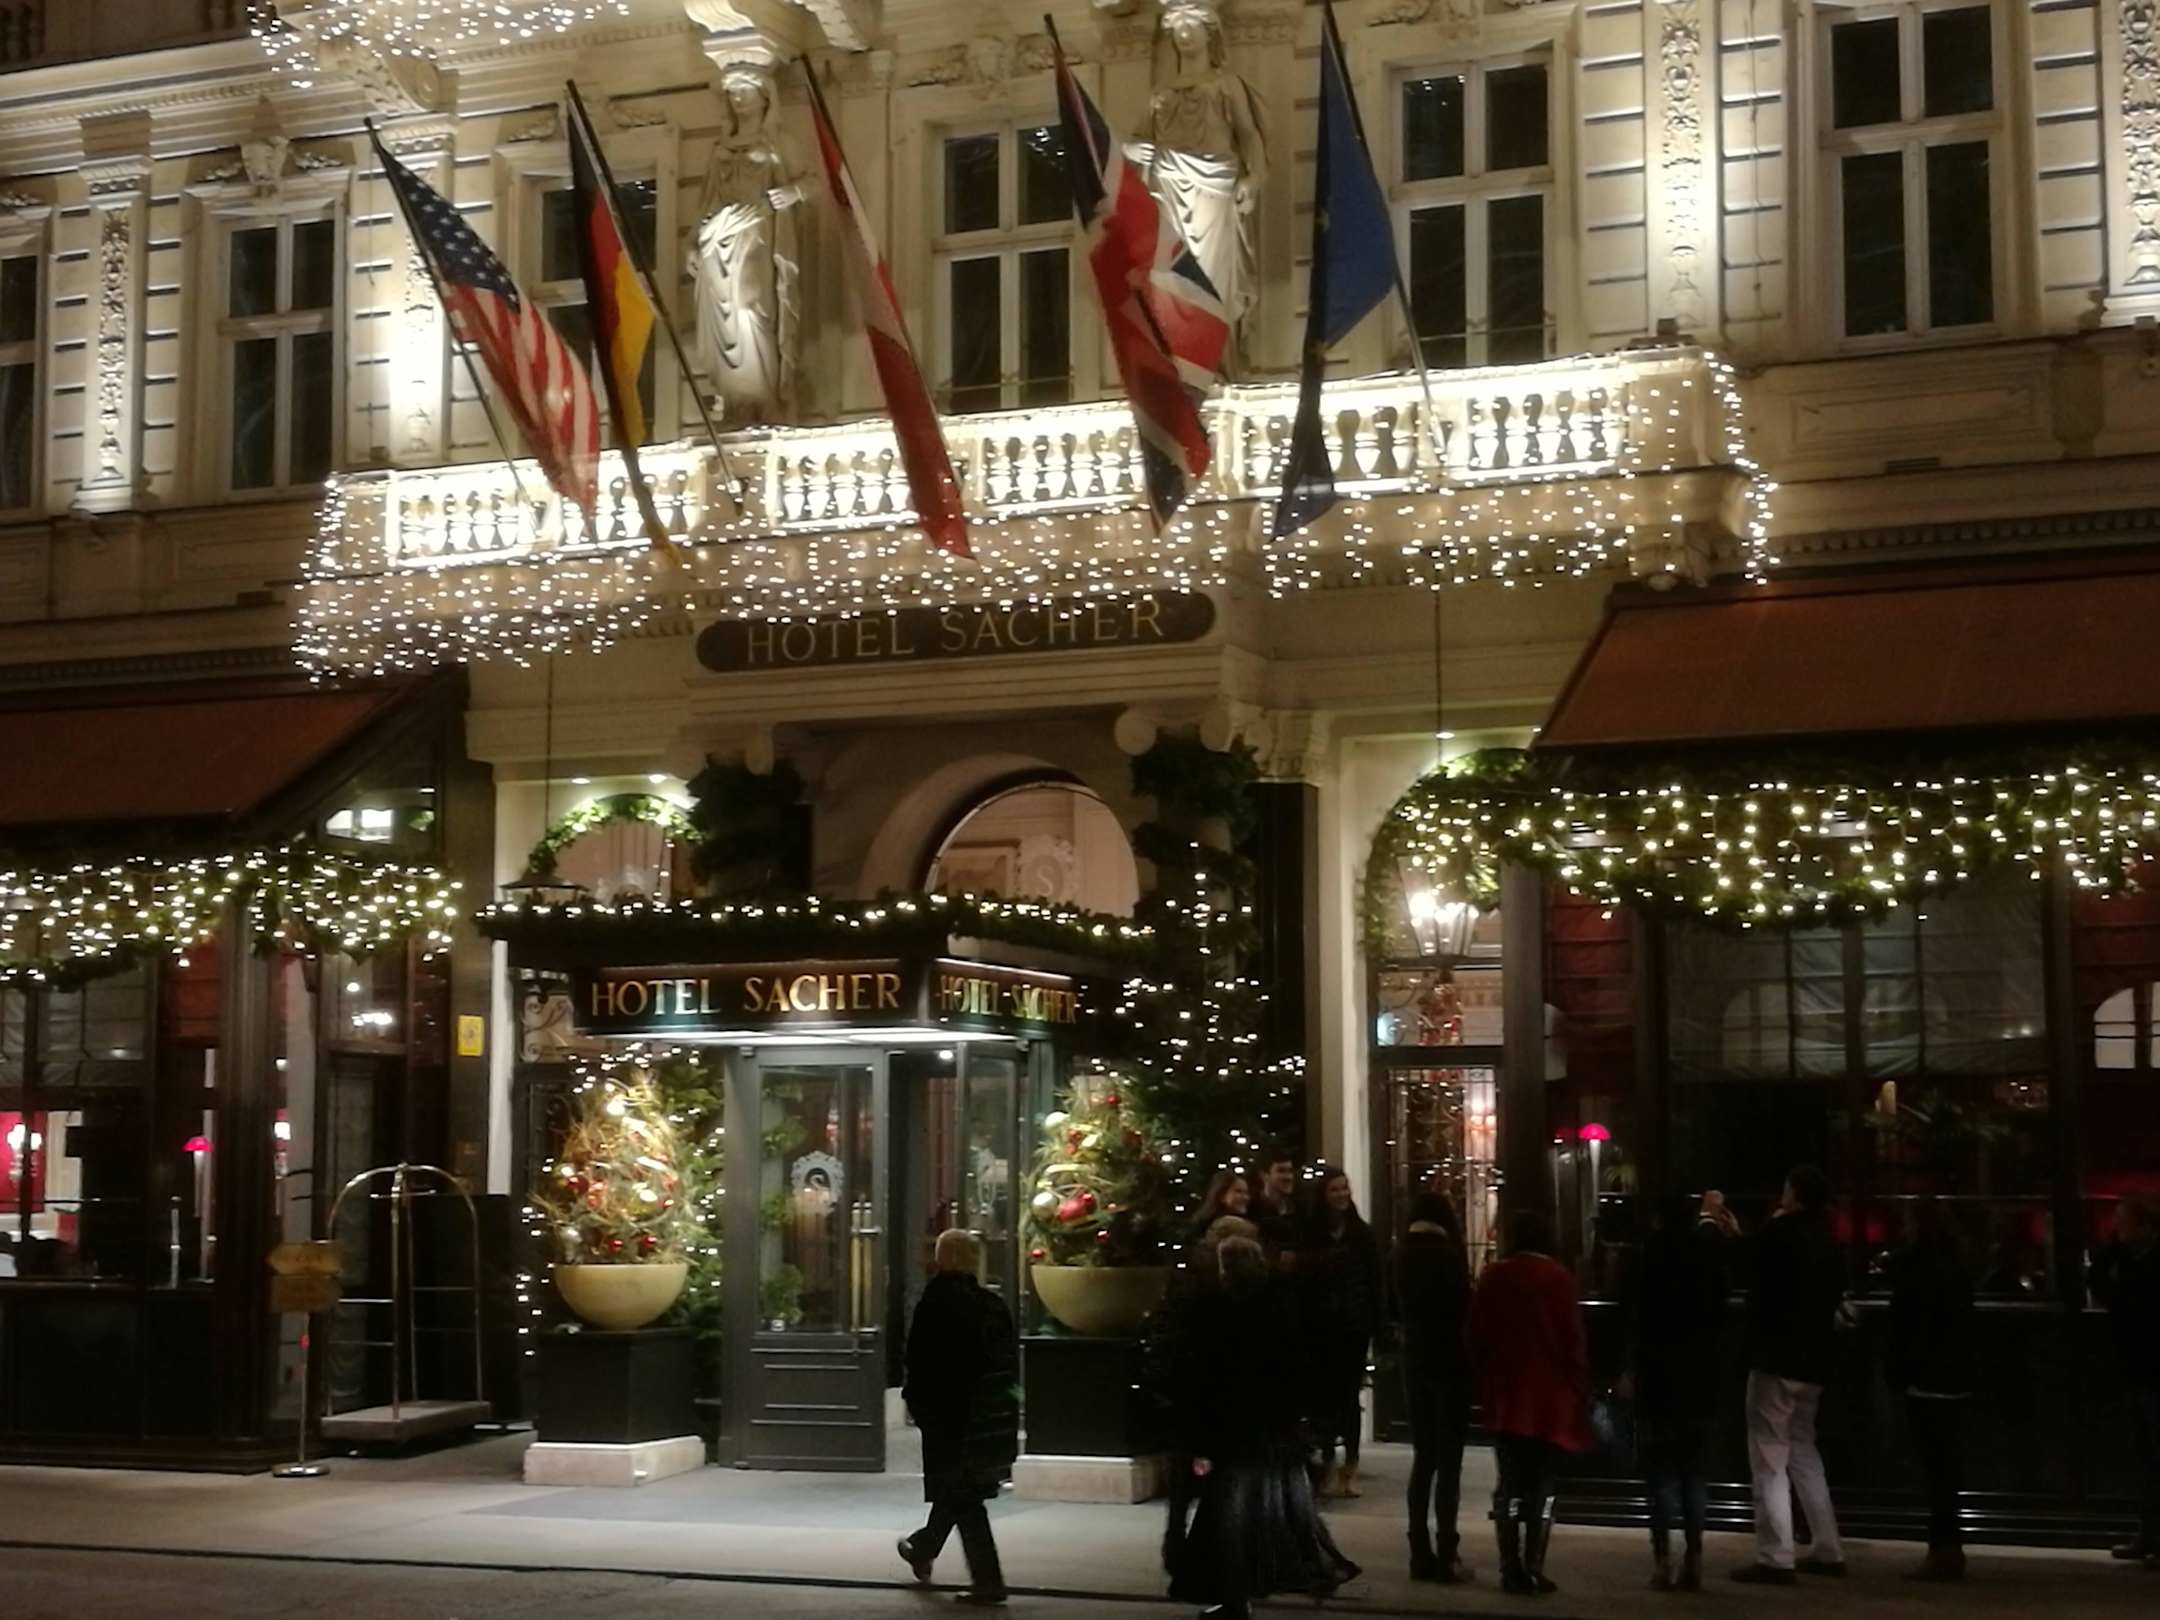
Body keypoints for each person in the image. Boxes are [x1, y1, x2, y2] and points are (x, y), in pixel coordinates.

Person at [1168, 1234, 1359, 1618]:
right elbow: (1294, 1367)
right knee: (1272, 1512)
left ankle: (1237, 1595)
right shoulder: (1277, 1307)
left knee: (1231, 1518)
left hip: (1236, 1431)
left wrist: (1201, 1436)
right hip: (1272, 1430)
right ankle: (1273, 1582)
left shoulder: (1219, 1313)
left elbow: (1208, 1378)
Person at [1733, 1164, 1847, 1586]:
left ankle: (1776, 1555)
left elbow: (1751, 1276)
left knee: (1769, 1457)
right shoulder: (1828, 1240)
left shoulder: (1779, 1234)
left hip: (1775, 1359)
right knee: (1803, 1450)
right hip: (1814, 1361)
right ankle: (1827, 1546)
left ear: (1794, 1195)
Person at [1469, 1209, 1590, 1597]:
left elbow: (1476, 1336)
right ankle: (1534, 1566)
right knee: (1542, 1485)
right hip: (1550, 1399)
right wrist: (1579, 1389)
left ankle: (1509, 1566)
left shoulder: (1494, 1277)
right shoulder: (1559, 1279)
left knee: (1509, 1483)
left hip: (1506, 1394)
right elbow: (1573, 1342)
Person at [898, 1229, 1019, 1608]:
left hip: (949, 1417)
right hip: (987, 1417)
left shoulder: (937, 1302)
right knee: (961, 1489)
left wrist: (917, 1405)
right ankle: (923, 1547)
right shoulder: (992, 1304)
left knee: (963, 1496)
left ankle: (988, 1581)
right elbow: (1006, 1365)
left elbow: (920, 1360)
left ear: (942, 1258)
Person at [1628, 1194, 1729, 1593]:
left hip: (1658, 1377)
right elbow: (1720, 1311)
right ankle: (1695, 1556)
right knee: (1694, 1474)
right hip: (1699, 1377)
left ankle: (1662, 1561)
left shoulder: (1648, 1255)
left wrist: (1632, 1369)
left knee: (1659, 1476)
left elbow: (1636, 1316)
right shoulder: (1707, 1256)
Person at [1887, 1199, 1975, 1582]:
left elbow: (1903, 1324)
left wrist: (1897, 1371)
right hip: (1954, 1378)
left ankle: (1942, 1548)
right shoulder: (1956, 1266)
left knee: (1933, 1469)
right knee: (1947, 1468)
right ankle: (1949, 1547)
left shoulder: (1914, 1268)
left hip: (1924, 1379)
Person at [1395, 1191, 1474, 1583]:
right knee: (1449, 1461)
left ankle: (1418, 1550)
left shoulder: (1400, 1256)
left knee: (1423, 1456)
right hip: (1450, 1360)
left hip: (1415, 1359)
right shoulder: (1449, 1257)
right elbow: (1464, 1309)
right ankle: (1447, 1550)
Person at [1300, 1168, 1381, 1499]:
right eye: (1334, 1189)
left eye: (1344, 1188)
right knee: (1324, 1397)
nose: (1341, 1195)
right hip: (1320, 1327)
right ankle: (1328, 1462)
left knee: (1348, 1396)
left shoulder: (1361, 1234)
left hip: (1353, 1327)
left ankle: (1351, 1464)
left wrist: (1375, 1322)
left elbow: (1375, 1280)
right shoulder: (1311, 1234)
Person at [2093, 1194, 2160, 1571]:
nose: (2117, 1229)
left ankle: (2152, 1534)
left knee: (2153, 1456)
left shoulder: (2144, 1266)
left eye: (2124, 1222)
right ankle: (2149, 1532)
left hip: (2150, 1369)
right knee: (2146, 1458)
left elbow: (2122, 1300)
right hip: (2138, 1369)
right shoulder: (2130, 1260)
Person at [1249, 1147, 1299, 1256]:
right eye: (1281, 1171)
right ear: (1263, 1175)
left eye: (1290, 1171)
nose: (1288, 1177)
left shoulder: (1300, 1208)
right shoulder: (1251, 1209)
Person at [1188, 1169, 1252, 1249]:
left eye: (1246, 1193)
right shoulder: (1210, 1228)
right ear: (1221, 1196)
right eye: (1238, 1192)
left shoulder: (1248, 1225)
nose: (1245, 1197)